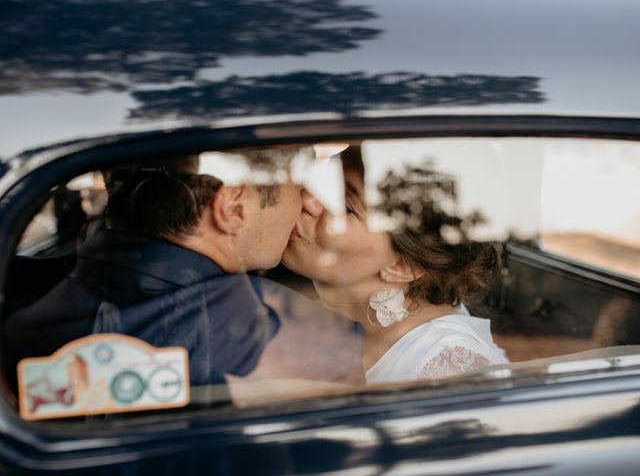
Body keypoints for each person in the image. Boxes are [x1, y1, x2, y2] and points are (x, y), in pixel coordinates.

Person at [3, 153, 364, 392]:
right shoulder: (316, 345)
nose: (303, 202)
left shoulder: (16, 289)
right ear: (232, 207)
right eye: (296, 186)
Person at [282, 147, 508, 383]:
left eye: (347, 207)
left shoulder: (444, 370)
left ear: (402, 266)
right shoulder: (319, 318)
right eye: (325, 177)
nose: (308, 199)